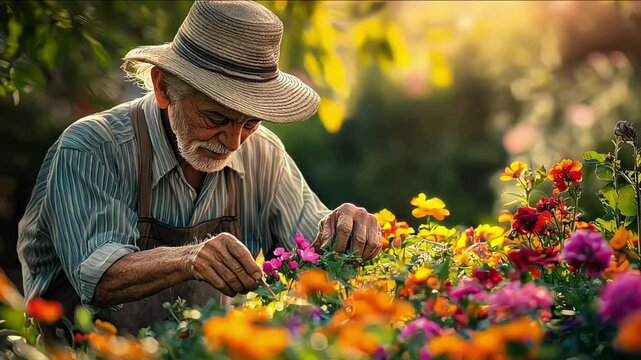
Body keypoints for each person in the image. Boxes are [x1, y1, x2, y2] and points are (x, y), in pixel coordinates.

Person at [16, 0, 382, 339]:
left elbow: (317, 256)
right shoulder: (93, 148)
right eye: (216, 117)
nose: (234, 140)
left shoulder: (264, 154)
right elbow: (98, 277)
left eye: (250, 123)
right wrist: (191, 256)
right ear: (164, 89)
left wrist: (345, 231)